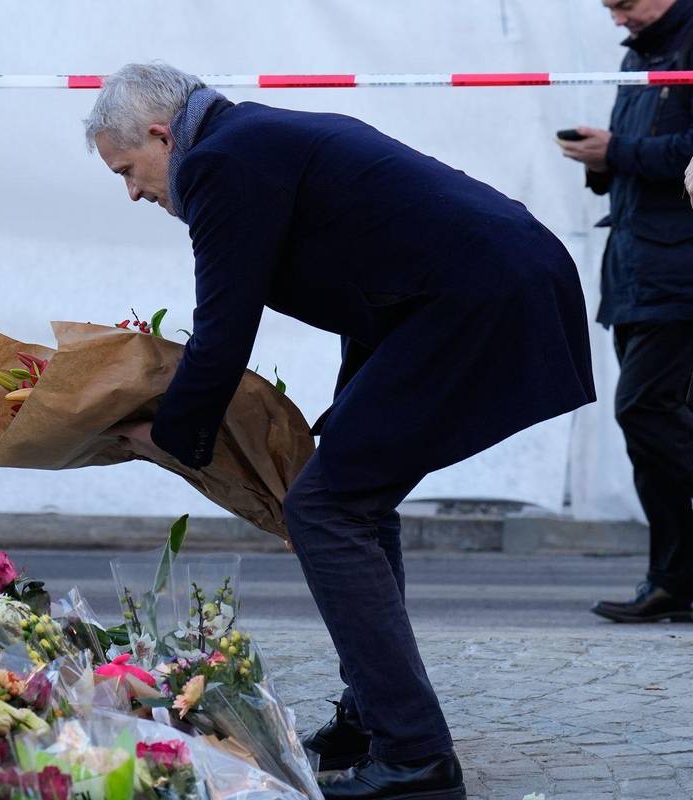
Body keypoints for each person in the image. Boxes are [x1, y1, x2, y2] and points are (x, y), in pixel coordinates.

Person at [87, 63, 594, 799]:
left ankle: (415, 756)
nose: (133, 192)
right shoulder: (252, 139)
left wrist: (167, 437)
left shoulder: (223, 162)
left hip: (479, 298)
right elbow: (374, 262)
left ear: (163, 136)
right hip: (464, 290)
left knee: (328, 508)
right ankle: (372, 718)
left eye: (128, 170)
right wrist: (345, 414)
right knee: (349, 497)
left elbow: (224, 330)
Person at [559, 0, 693, 624]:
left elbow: (684, 153)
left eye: (624, 4)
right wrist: (602, 160)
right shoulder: (639, 56)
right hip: (636, 267)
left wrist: (619, 150)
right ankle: (672, 581)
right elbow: (638, 161)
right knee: (649, 434)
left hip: (680, 271)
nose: (617, 19)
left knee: (645, 410)